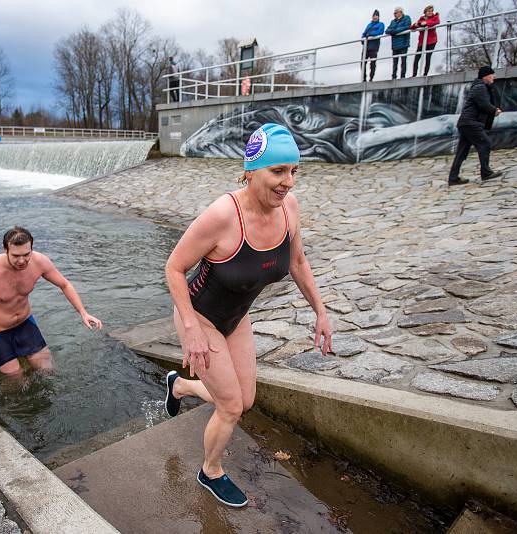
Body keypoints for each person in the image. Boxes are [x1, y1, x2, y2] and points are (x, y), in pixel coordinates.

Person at [163, 123, 332, 507]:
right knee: (231, 406)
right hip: (200, 318)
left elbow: (298, 261)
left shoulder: (289, 208)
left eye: (293, 171)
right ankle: (211, 471)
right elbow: (173, 268)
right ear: (251, 169)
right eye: (278, 171)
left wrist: (320, 311)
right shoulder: (223, 215)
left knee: (245, 398)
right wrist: (190, 329)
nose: (288, 182)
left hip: (236, 317)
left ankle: (180, 386)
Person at [0, 227, 102, 376]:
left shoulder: (39, 262)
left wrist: (83, 312)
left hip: (25, 324)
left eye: (26, 254)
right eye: (16, 256)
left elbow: (64, 284)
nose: (22, 261)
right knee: (15, 380)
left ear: (31, 248)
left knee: (47, 370)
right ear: (5, 250)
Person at [447, 66, 503, 186]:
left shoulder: (479, 87)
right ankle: (486, 173)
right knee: (485, 143)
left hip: (466, 123)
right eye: (492, 75)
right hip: (471, 123)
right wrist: (494, 111)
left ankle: (453, 178)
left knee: (462, 152)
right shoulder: (480, 87)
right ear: (486, 76)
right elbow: (483, 104)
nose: (494, 77)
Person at [411, 5, 440, 76]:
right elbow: (412, 27)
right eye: (428, 11)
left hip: (431, 41)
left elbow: (436, 22)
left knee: (428, 57)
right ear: (425, 12)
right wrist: (416, 25)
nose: (430, 12)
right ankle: (414, 75)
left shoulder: (435, 17)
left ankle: (425, 74)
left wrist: (426, 23)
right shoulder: (421, 19)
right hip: (422, 42)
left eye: (431, 11)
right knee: (416, 58)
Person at [386, 7, 412, 79]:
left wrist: (395, 31)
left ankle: (402, 76)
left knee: (403, 61)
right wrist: (393, 31)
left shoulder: (406, 18)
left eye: (396, 13)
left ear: (401, 12)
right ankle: (394, 76)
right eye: (394, 13)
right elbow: (387, 30)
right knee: (395, 62)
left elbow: (407, 27)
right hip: (395, 45)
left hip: (403, 43)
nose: (394, 14)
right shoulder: (393, 21)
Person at [361, 10, 385, 82]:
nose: (375, 17)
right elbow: (364, 33)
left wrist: (370, 34)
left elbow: (380, 32)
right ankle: (363, 78)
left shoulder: (381, 24)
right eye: (374, 16)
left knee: (373, 63)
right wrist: (363, 38)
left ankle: (371, 78)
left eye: (376, 16)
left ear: (378, 17)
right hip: (366, 46)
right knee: (362, 63)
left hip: (374, 46)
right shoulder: (369, 25)